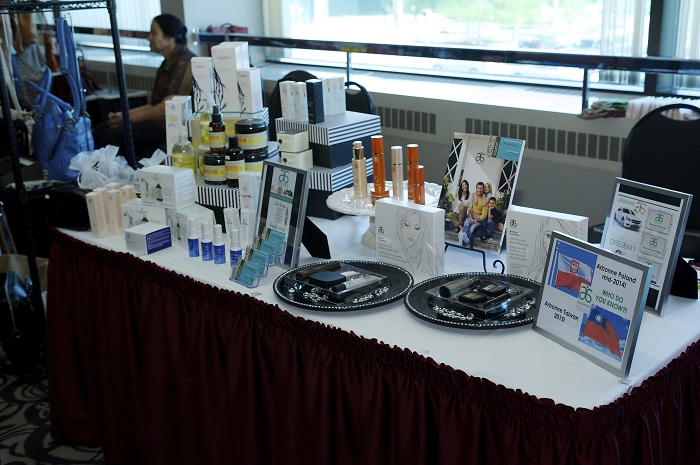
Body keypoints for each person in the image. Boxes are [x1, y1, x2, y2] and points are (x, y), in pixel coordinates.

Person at [93, 14, 195, 159]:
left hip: (174, 126)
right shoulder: (167, 62)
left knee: (111, 136)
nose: (149, 38)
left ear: (170, 37)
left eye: (154, 33)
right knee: (101, 127)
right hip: (160, 121)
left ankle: (122, 171)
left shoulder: (185, 63)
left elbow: (166, 108)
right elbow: (154, 104)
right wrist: (124, 116)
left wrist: (128, 120)